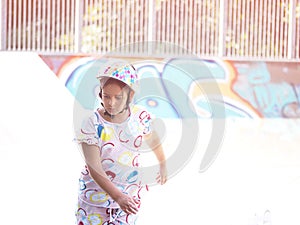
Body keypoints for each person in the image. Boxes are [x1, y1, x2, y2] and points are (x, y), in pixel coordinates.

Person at [74, 59, 168, 225]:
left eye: (118, 97)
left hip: (127, 201)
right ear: (100, 93)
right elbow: (94, 167)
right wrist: (118, 196)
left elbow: (153, 139)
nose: (111, 103)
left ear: (130, 95)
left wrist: (162, 164)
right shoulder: (92, 123)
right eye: (106, 96)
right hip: (94, 201)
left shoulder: (140, 117)